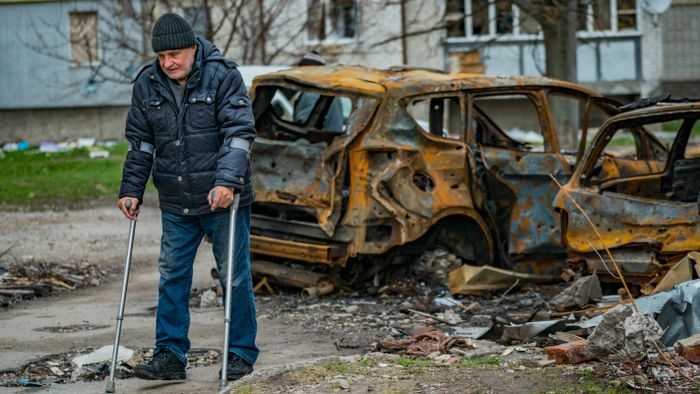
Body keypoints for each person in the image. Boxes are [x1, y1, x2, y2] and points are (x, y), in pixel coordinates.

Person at [117, 12, 258, 381]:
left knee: (235, 277)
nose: (168, 63)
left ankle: (240, 354)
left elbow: (239, 134)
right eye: (162, 57)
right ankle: (170, 355)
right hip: (177, 199)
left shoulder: (224, 75)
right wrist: (131, 190)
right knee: (172, 276)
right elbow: (141, 144)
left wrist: (227, 183)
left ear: (194, 48)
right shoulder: (147, 84)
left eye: (175, 54)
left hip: (222, 199)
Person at [293, 51, 345, 133]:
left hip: (318, 144)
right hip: (332, 142)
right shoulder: (332, 93)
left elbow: (302, 129)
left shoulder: (311, 94)